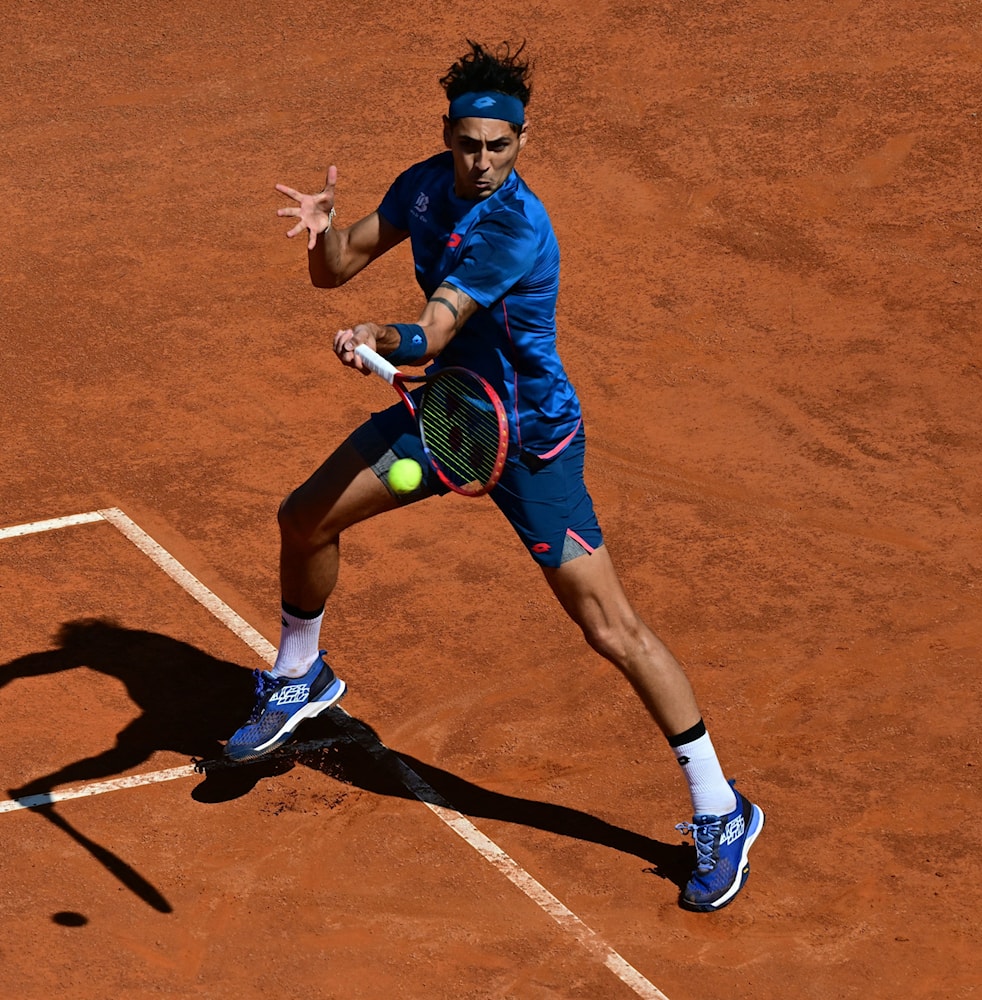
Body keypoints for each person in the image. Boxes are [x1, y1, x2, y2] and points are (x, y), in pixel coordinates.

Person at [226, 40, 764, 912]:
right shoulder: (425, 185)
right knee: (305, 518)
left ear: (521, 142)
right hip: (452, 419)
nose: (480, 162)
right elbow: (337, 270)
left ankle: (720, 808)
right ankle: (301, 675)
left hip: (534, 443)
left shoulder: (516, 226)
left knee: (611, 630)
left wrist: (378, 333)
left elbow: (430, 333)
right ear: (447, 134)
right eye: (468, 143)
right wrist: (326, 235)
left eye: (498, 147)